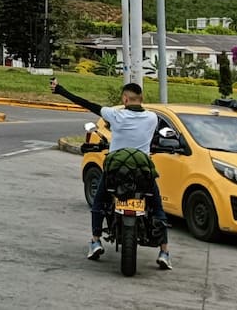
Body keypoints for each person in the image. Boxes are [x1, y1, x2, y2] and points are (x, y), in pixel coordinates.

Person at [50, 78, 172, 270]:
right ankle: (164, 252)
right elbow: (153, 137)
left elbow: (86, 103)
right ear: (141, 99)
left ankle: (96, 241)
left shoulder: (115, 115)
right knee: (157, 208)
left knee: (98, 203)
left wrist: (60, 90)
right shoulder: (152, 118)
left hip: (116, 171)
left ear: (125, 99)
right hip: (143, 172)